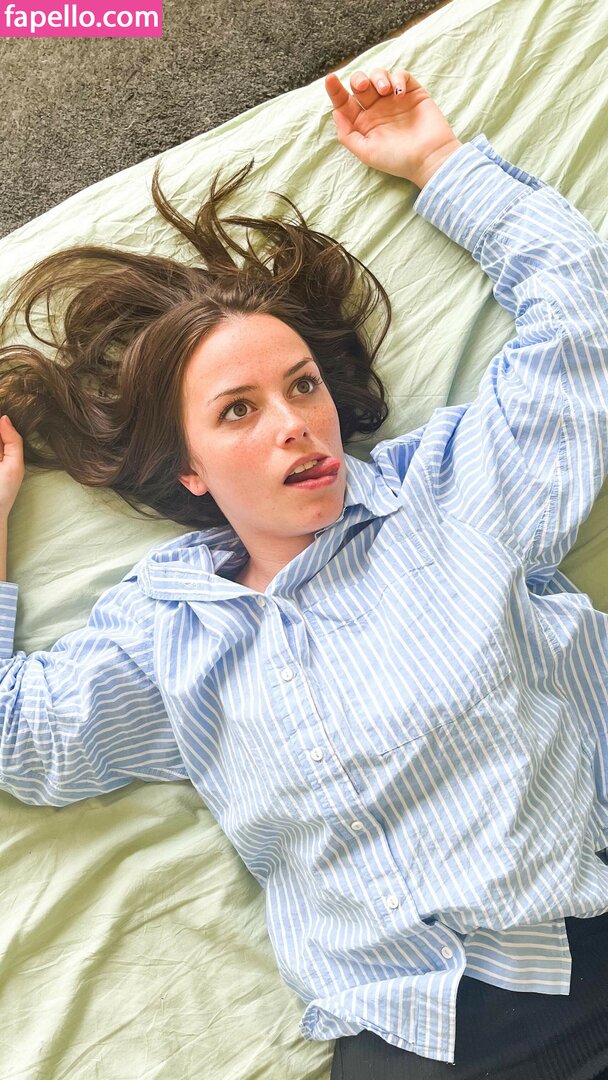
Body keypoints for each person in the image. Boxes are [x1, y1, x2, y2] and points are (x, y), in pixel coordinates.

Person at [0, 65, 607, 1080]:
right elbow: (21, 736)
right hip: (408, 1040)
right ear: (190, 470)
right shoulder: (166, 636)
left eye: (302, 386)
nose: (294, 424)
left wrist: (438, 161)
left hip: (581, 943)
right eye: (239, 410)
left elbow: (583, 330)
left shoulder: (456, 495)